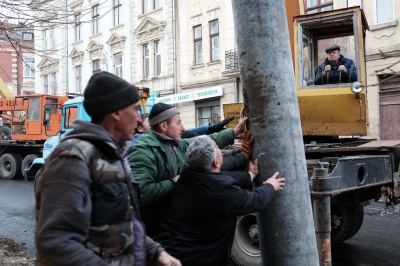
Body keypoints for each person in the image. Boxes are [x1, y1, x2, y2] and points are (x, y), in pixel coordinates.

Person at [35, 71, 181, 266]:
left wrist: (155, 252)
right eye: (136, 109)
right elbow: (56, 243)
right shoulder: (72, 158)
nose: (140, 119)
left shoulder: (112, 154)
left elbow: (119, 223)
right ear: (116, 112)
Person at [154, 135, 285, 265]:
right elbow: (253, 200)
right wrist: (270, 186)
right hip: (193, 259)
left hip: (169, 251)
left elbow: (221, 177)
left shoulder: (188, 174)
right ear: (216, 162)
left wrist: (250, 175)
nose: (219, 149)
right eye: (217, 147)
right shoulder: (221, 191)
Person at [128, 103, 247, 237]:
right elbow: (141, 193)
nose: (183, 128)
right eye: (178, 123)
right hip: (153, 230)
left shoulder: (174, 143)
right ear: (163, 126)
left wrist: (235, 131)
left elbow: (206, 142)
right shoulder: (143, 150)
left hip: (172, 224)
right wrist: (174, 182)